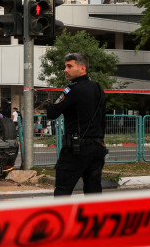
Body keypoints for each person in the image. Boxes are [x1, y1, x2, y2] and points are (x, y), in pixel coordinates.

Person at [46, 53, 107, 197]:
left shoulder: (72, 89)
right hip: (97, 148)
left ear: (82, 68)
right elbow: (102, 119)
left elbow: (52, 113)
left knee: (63, 190)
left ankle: (62, 219)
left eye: (69, 66)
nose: (65, 70)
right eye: (65, 66)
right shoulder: (98, 88)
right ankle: (94, 219)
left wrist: (52, 104)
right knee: (94, 192)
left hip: (75, 149)